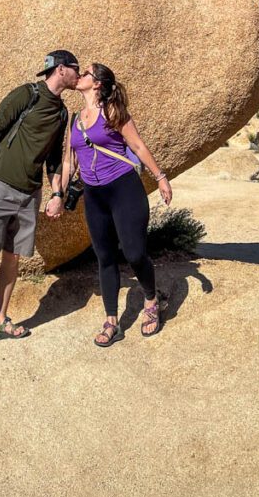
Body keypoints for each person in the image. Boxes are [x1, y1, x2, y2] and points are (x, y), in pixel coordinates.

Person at [0, 50, 80, 355]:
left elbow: (54, 160)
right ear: (62, 70)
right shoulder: (26, 95)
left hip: (30, 194)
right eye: (75, 69)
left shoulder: (62, 112)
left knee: (13, 259)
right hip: (0, 185)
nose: (78, 75)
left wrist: (57, 194)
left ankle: (1, 320)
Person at [56, 62, 172, 346]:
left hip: (124, 189)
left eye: (86, 73)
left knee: (134, 254)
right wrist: (58, 194)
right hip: (95, 196)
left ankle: (151, 299)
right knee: (104, 257)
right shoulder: (75, 119)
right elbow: (70, 160)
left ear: (97, 83)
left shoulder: (112, 112)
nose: (80, 75)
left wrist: (160, 177)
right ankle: (111, 321)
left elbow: (138, 146)